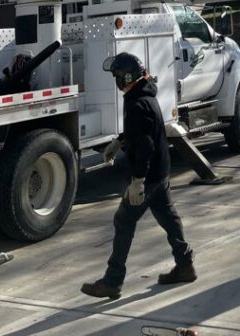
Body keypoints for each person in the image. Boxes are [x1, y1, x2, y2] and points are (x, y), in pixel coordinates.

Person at [81, 52, 196, 300]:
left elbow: (144, 145)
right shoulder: (144, 95)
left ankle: (112, 282)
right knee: (168, 217)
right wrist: (119, 141)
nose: (116, 80)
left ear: (126, 76)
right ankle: (185, 265)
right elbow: (142, 131)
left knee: (123, 222)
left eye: (117, 76)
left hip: (149, 176)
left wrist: (138, 181)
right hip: (160, 172)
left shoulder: (136, 103)